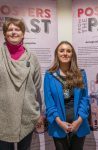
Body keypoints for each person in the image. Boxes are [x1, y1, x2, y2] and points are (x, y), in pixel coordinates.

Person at [0, 17, 43, 150]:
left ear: (23, 34)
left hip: (26, 115)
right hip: (3, 116)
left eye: (17, 29)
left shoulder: (32, 58)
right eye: (10, 29)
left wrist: (37, 111)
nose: (13, 32)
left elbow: (36, 87)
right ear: (5, 34)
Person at [44, 41, 90, 150]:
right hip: (59, 124)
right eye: (62, 50)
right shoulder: (49, 75)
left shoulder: (81, 74)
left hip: (78, 123)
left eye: (68, 51)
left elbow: (84, 99)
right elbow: (49, 102)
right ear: (57, 54)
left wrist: (79, 121)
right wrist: (60, 123)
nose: (65, 53)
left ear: (72, 54)